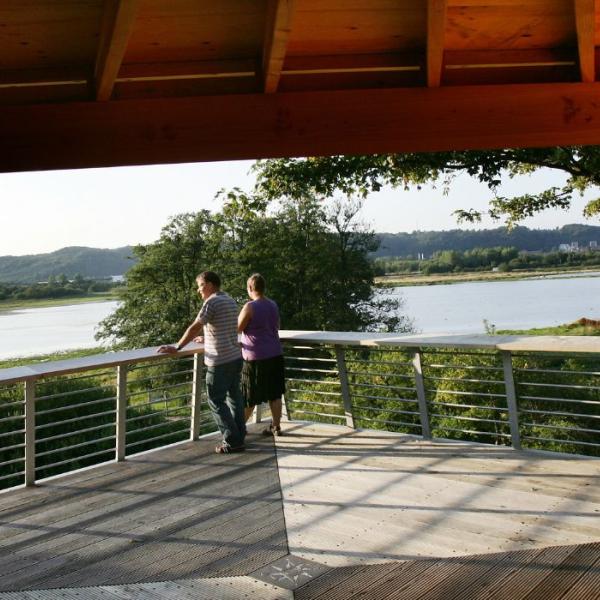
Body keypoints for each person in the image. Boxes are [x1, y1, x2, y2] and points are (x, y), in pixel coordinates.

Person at [158, 271, 246, 453]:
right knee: (235, 398)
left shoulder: (211, 302)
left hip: (219, 361)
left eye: (199, 286)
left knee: (216, 401)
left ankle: (232, 440)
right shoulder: (229, 300)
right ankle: (240, 435)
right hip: (235, 357)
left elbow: (195, 326)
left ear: (209, 284)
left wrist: (178, 347)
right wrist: (206, 339)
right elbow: (225, 329)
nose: (198, 291)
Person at [238, 273, 285, 436]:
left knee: (249, 395)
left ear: (250, 288)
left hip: (255, 357)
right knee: (275, 393)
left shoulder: (249, 307)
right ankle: (276, 427)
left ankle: (239, 429)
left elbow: (236, 329)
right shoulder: (273, 304)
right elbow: (277, 325)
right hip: (275, 353)